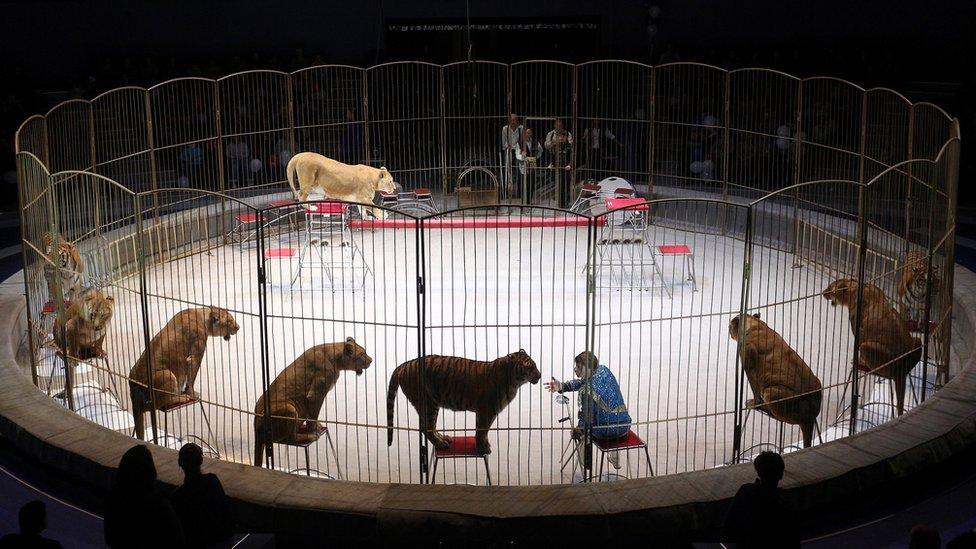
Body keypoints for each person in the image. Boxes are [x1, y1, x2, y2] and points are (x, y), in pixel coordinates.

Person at [545, 351, 631, 469]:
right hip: (625, 425)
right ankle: (615, 459)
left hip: (605, 432)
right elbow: (583, 382)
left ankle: (586, 464)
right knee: (611, 417)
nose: (575, 369)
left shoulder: (586, 391)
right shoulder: (603, 370)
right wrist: (562, 386)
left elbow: (586, 420)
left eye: (579, 367)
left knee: (583, 432)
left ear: (588, 368)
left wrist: (578, 430)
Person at [104, 444, 184, 548]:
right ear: (151, 472)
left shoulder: (114, 498)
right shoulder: (159, 506)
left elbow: (110, 538)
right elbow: (177, 540)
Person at [723, 451, 800, 548]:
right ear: (781, 474)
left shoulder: (745, 490)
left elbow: (729, 525)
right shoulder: (784, 507)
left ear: (758, 471)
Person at [171, 443, 232, 548]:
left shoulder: (177, 496)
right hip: (219, 539)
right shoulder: (212, 481)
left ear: (180, 463)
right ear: (201, 461)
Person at [516, 127, 544, 203]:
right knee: (523, 184)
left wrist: (535, 157)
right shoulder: (519, 143)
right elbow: (517, 155)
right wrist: (522, 157)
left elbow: (541, 150)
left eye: (529, 133)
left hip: (532, 165)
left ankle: (529, 201)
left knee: (531, 184)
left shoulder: (535, 142)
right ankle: (523, 201)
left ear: (531, 133)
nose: (528, 134)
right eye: (526, 133)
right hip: (523, 166)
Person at [500, 113, 522, 198]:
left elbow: (523, 140)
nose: (512, 122)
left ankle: (520, 193)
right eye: (511, 120)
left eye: (514, 120)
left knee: (520, 171)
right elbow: (503, 141)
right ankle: (507, 193)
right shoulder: (505, 128)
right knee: (508, 172)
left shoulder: (521, 128)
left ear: (517, 120)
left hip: (518, 151)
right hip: (509, 151)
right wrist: (506, 147)